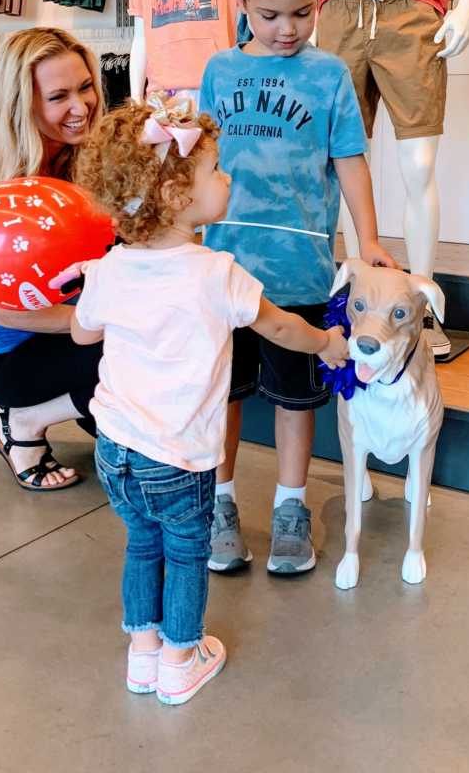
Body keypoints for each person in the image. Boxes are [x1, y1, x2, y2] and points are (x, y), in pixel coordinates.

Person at [67, 95, 348, 704]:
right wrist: (326, 341)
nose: (226, 178)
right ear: (176, 198)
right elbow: (278, 328)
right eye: (214, 171)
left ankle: (142, 656)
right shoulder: (216, 272)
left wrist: (102, 281)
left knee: (142, 543)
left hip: (114, 448)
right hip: (178, 454)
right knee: (188, 552)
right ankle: (179, 657)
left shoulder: (111, 267)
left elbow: (82, 332)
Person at [199, 0, 397, 576]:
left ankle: (291, 506)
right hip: (223, 270)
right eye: (270, 14)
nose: (288, 28)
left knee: (295, 398)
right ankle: (219, 503)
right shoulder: (219, 71)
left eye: (303, 12)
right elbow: (198, 160)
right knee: (223, 395)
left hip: (302, 273)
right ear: (242, 3)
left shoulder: (331, 75)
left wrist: (368, 238)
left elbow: (351, 159)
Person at [0, 26, 104, 491]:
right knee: (139, 346)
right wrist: (105, 321)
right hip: (11, 357)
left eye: (85, 87)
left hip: (74, 333)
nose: (81, 107)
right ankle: (25, 423)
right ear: (22, 106)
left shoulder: (84, 160)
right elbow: (3, 310)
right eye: (59, 97)